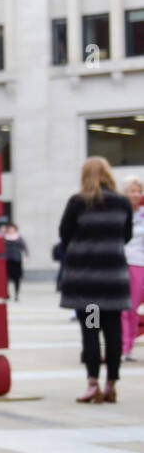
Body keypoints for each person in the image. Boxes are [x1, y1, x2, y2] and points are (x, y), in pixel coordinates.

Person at [58, 157, 133, 402]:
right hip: (113, 283)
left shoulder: (78, 202)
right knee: (113, 333)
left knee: (91, 332)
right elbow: (126, 236)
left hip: (88, 285)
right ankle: (112, 383)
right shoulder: (122, 203)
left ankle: (92, 384)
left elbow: (65, 236)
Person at [121, 176, 143, 362]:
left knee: (133, 308)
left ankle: (127, 347)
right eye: (132, 191)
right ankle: (121, 347)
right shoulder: (118, 210)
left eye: (139, 191)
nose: (136, 195)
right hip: (121, 263)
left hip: (139, 263)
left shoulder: (143, 212)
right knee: (94, 310)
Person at [3, 222, 28, 300]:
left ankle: (16, 294)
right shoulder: (4, 237)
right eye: (9, 229)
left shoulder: (19, 238)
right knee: (5, 278)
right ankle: (6, 293)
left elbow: (24, 247)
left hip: (17, 259)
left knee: (16, 278)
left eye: (12, 228)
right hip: (7, 259)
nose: (11, 230)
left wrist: (26, 256)